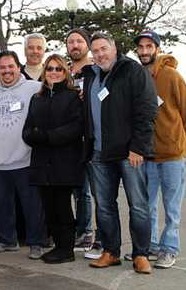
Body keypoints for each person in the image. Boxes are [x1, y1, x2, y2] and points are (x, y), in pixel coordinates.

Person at [83, 32, 158, 274]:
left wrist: (138, 147)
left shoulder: (133, 71)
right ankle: (111, 252)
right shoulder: (91, 75)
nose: (100, 54)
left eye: (104, 48)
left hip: (129, 153)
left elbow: (147, 111)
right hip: (99, 153)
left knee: (138, 205)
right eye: (95, 51)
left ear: (114, 48)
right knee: (104, 206)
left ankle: (141, 254)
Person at [0, 50, 47, 259]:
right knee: (1, 204)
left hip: (26, 159)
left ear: (18, 67)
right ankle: (7, 240)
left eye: (10, 66)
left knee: (32, 205)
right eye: (2, 68)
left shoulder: (34, 88)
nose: (7, 71)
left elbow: (54, 104)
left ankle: (36, 242)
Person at [134, 30, 186, 269]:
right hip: (147, 155)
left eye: (149, 46)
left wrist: (181, 141)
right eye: (141, 47)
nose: (144, 51)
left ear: (157, 49)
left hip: (172, 155)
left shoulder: (171, 76)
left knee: (172, 206)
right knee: (146, 205)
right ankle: (148, 245)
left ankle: (169, 248)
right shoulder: (138, 76)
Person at [22, 54, 84, 263]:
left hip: (64, 162)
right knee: (48, 207)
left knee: (62, 207)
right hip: (41, 163)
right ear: (44, 72)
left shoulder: (72, 96)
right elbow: (28, 130)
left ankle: (66, 249)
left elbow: (74, 128)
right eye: (50, 69)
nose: (54, 73)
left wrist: (47, 136)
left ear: (64, 73)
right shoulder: (36, 98)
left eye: (58, 69)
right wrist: (34, 136)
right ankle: (57, 245)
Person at [66, 28, 97, 255]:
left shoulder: (95, 70)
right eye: (71, 42)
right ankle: (73, 229)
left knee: (85, 190)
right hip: (68, 138)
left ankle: (86, 231)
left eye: (79, 41)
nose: (75, 45)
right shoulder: (64, 70)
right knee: (71, 186)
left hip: (90, 137)